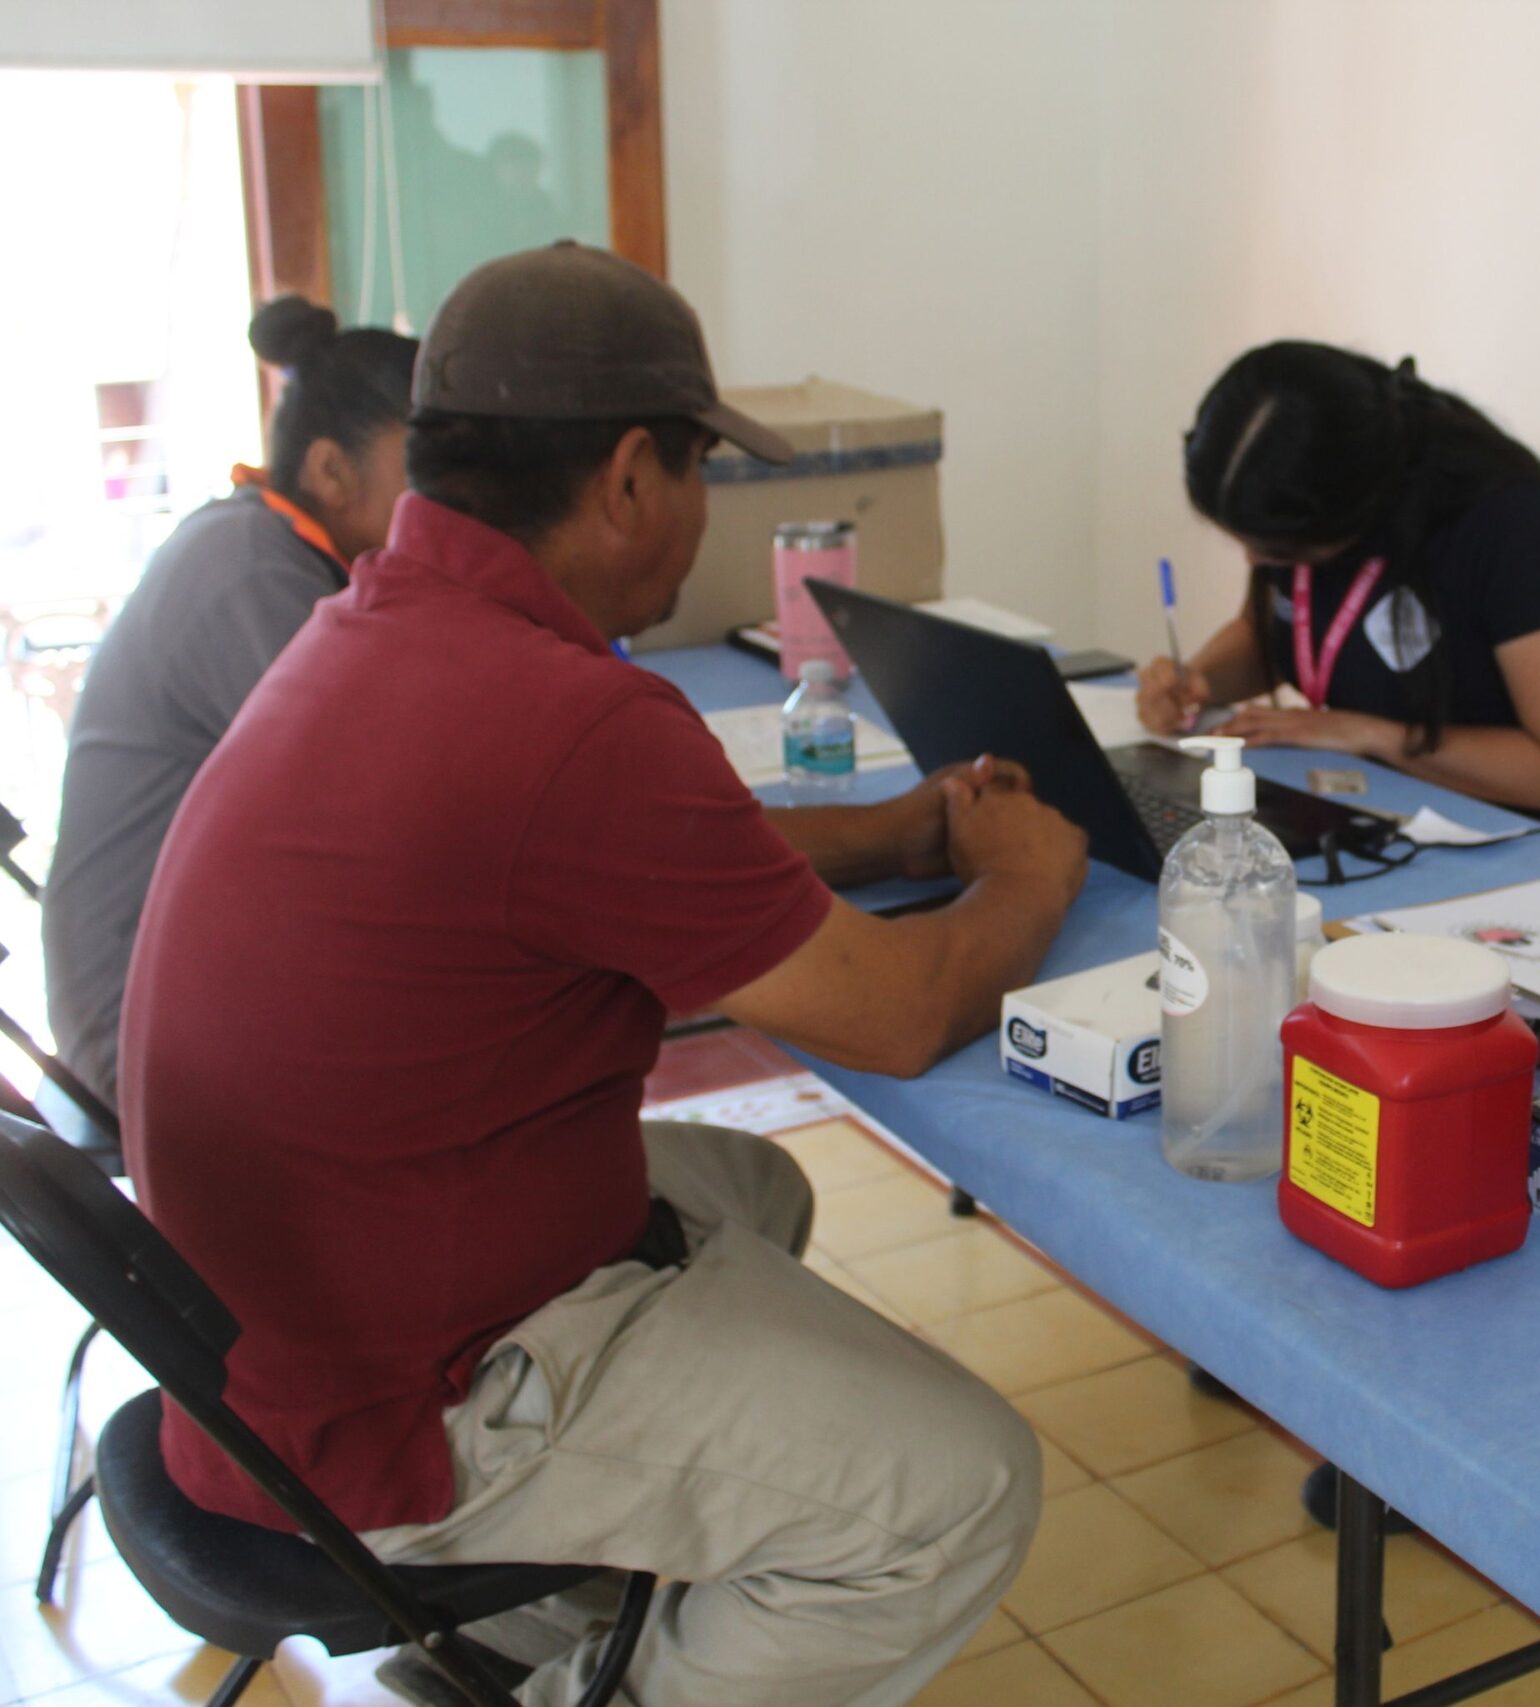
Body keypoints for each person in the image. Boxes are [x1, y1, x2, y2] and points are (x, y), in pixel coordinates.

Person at [120, 242, 1088, 1707]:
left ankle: (519, 1627)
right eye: (702, 472)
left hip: (265, 1335)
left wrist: (897, 828)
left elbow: (632, 849)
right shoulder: (569, 715)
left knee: (757, 1189)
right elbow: (895, 1013)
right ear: (632, 475)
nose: (704, 517)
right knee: (962, 1486)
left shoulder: (372, 630)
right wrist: (1031, 874)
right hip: (393, 1411)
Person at [43, 297, 416, 1107]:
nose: (449, 505)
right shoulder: (253, 573)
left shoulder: (269, 547)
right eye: (423, 474)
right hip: (145, 1031)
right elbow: (370, 809)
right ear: (329, 469)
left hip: (186, 991)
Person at [1138, 341, 1540, 822]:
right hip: (1376, 804)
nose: (1254, 560)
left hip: (1526, 835)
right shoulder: (1308, 507)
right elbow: (1274, 633)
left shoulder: (1518, 524)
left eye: (1278, 550)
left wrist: (1370, 735)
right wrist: (1199, 680)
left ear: (1356, 509)